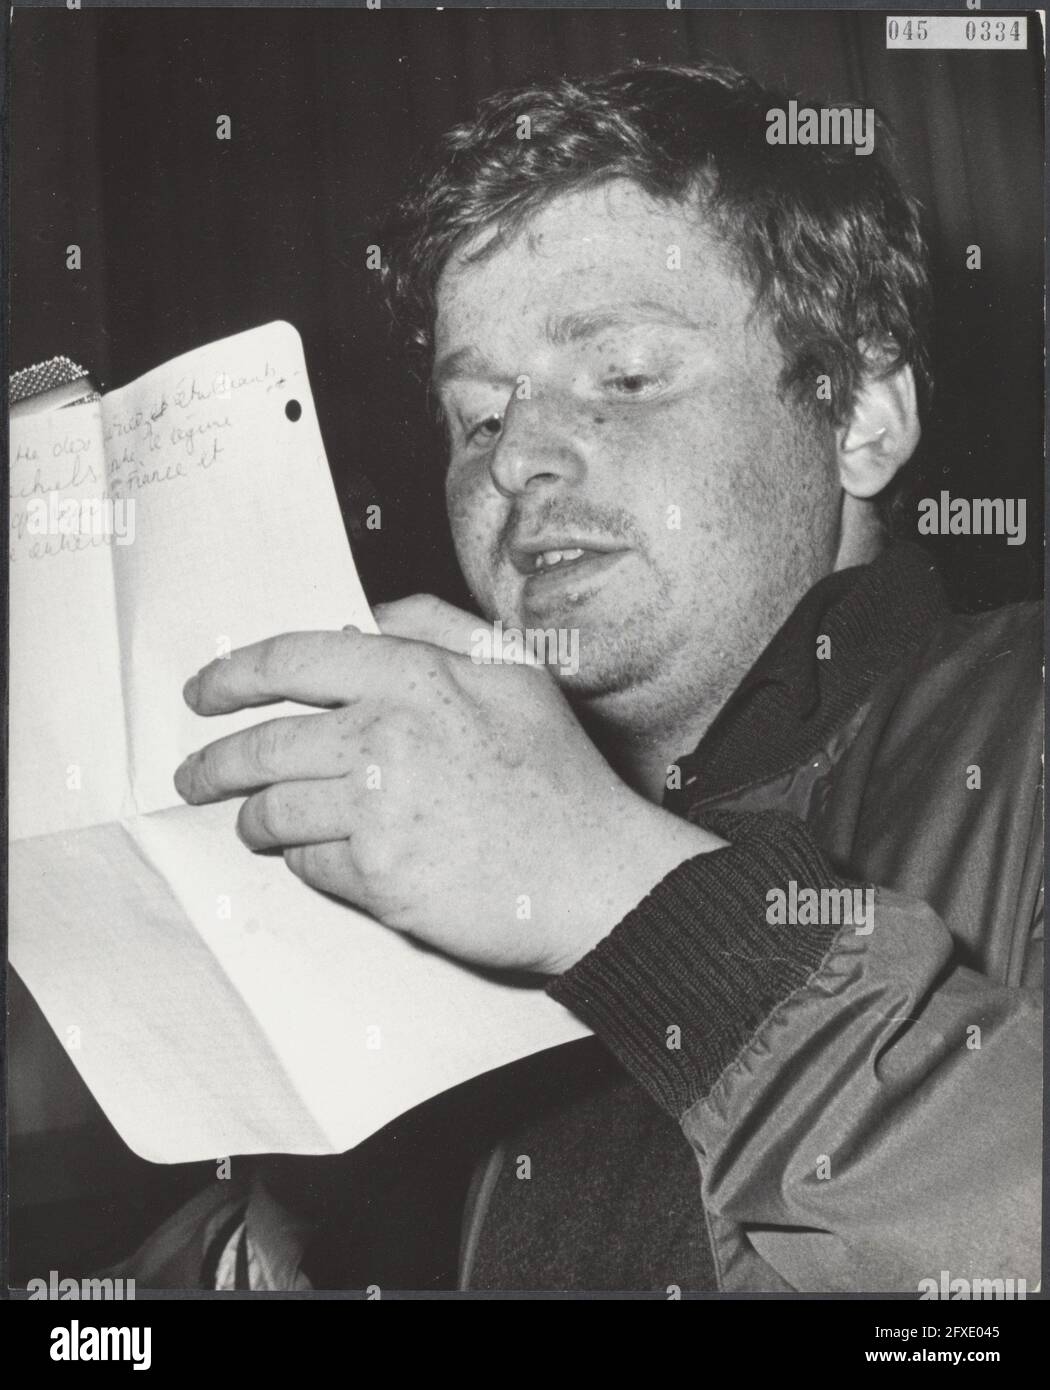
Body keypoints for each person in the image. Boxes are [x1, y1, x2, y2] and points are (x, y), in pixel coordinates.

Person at [160, 61, 1040, 1293]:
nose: (517, 457)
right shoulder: (439, 854)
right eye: (475, 417)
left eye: (624, 376)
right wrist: (291, 1221)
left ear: (861, 419)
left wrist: (615, 891)